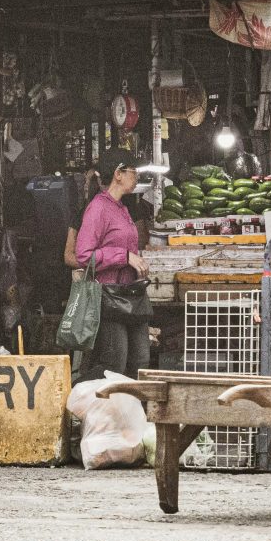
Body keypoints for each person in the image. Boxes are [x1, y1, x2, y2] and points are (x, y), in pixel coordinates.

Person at [75, 149, 150, 377]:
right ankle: (78, 393)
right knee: (114, 364)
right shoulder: (98, 208)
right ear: (118, 174)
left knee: (141, 361)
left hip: (131, 294)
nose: (136, 176)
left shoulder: (122, 208)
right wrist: (124, 257)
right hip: (109, 297)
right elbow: (84, 255)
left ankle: (130, 401)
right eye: (133, 171)